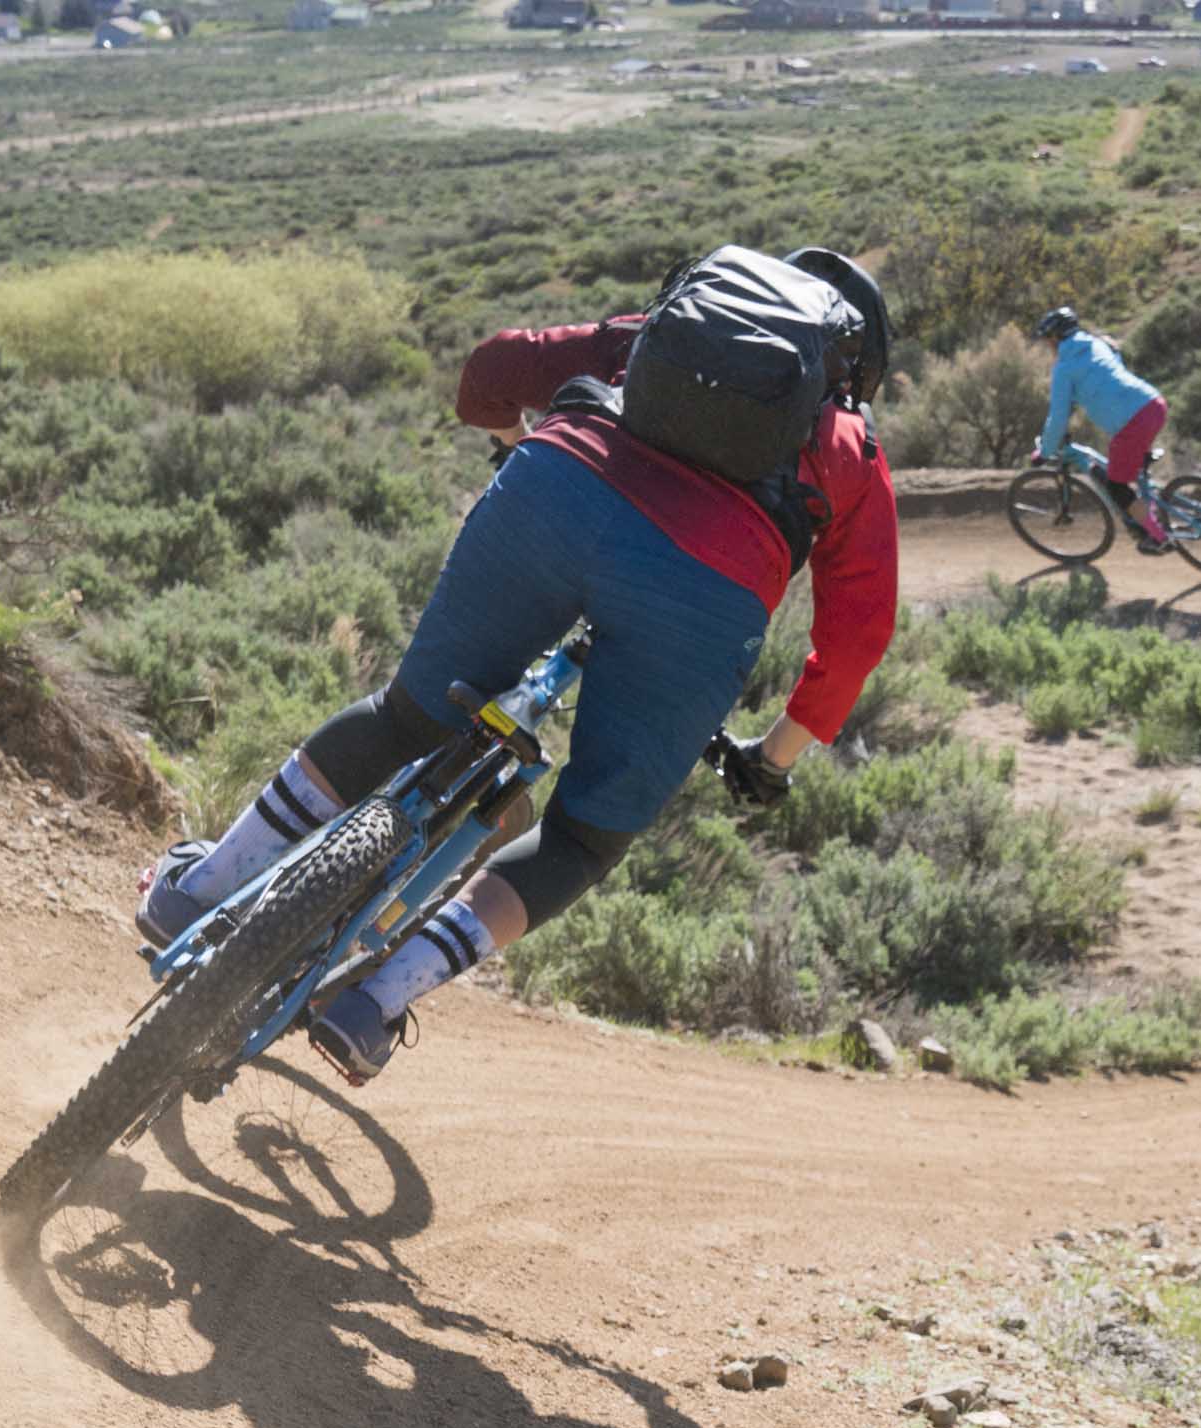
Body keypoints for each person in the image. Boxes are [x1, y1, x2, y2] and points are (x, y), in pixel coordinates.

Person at [133, 247, 901, 1084]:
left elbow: (490, 370)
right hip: (701, 596)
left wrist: (514, 441)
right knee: (580, 835)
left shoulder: (656, 337)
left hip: (555, 493)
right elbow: (858, 633)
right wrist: (772, 759)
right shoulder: (849, 445)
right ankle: (376, 1001)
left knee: (404, 718)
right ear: (848, 361)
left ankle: (203, 886)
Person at [1030, 305, 1170, 551]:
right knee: (1123, 461)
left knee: (1116, 486)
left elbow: (1058, 416)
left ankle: (1159, 537)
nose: (1047, 347)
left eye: (1047, 341)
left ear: (1055, 338)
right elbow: (1110, 369)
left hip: (1132, 422)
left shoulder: (1064, 369)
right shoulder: (1097, 344)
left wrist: (1045, 451)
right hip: (1153, 403)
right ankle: (1148, 511)